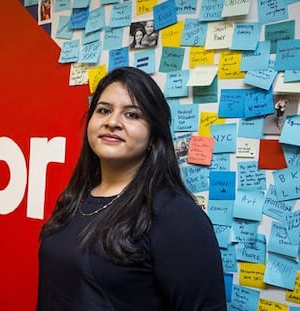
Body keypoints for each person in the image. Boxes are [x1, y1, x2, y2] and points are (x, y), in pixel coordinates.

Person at [37, 67, 226, 311]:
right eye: (104, 110)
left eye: (132, 115)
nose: (112, 122)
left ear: (153, 137)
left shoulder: (177, 216)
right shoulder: (76, 199)